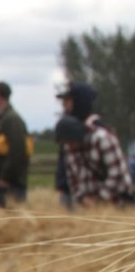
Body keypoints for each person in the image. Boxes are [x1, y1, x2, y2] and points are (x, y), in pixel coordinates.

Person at [54, 112, 135, 207]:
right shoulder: (68, 148)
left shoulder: (103, 139)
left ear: (77, 135)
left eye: (70, 142)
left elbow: (116, 172)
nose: (68, 146)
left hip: (119, 198)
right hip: (90, 203)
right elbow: (72, 179)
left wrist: (100, 198)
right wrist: (81, 198)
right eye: (65, 143)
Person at [54, 82, 96, 210]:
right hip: (70, 189)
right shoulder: (67, 126)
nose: (63, 104)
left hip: (90, 196)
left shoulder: (94, 130)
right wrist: (61, 183)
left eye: (68, 100)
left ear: (79, 102)